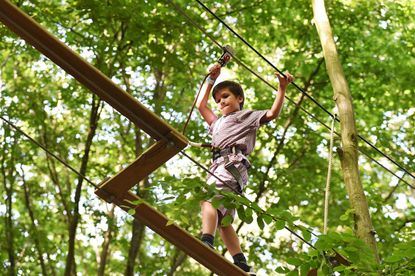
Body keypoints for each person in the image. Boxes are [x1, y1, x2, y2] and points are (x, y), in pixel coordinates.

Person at [196, 63, 294, 274]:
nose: (221, 102)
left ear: (239, 98)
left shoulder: (245, 116)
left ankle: (206, 239)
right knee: (223, 219)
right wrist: (212, 78)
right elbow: (201, 106)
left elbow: (272, 114)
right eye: (218, 100)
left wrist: (282, 89)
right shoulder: (217, 123)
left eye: (225, 96)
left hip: (230, 164)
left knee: (208, 200)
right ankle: (240, 260)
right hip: (223, 167)